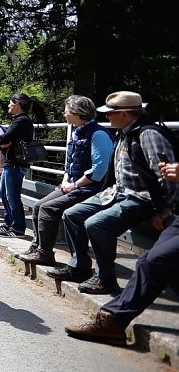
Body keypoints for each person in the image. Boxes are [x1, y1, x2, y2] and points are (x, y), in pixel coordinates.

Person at [49, 91, 178, 294]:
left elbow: (167, 176)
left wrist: (164, 208)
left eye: (110, 113)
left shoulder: (148, 134)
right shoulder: (124, 132)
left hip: (141, 198)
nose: (106, 117)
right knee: (71, 215)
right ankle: (79, 266)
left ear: (125, 114)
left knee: (96, 224)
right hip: (117, 193)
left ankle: (105, 278)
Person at [65, 161, 179, 346]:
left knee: (153, 261)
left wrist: (160, 206)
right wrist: (167, 209)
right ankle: (112, 321)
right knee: (151, 262)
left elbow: (160, 179)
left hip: (140, 200)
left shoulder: (147, 133)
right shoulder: (125, 136)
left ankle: (113, 320)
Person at [18, 96, 112, 264]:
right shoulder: (77, 132)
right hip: (75, 185)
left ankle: (45, 253)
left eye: (66, 111)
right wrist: (66, 180)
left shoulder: (98, 134)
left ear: (78, 113)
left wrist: (74, 185)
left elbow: (99, 170)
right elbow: (70, 163)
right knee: (39, 206)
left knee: (48, 209)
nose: (64, 114)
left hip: (91, 188)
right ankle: (37, 247)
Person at [0, 93, 47, 237]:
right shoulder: (19, 120)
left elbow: (4, 138)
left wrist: (0, 140)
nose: (8, 105)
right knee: (3, 193)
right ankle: (8, 223)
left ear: (17, 105)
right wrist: (3, 142)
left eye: (10, 103)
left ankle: (18, 228)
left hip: (15, 164)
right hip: (10, 164)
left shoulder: (21, 121)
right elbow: (5, 140)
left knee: (13, 196)